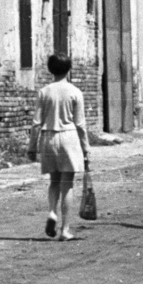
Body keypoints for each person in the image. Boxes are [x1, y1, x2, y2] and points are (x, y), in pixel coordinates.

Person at [30, 54, 91, 241]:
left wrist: (32, 147)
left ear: (50, 70)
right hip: (69, 138)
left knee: (53, 181)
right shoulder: (75, 92)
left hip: (48, 137)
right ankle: (65, 229)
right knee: (68, 184)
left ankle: (51, 212)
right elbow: (80, 124)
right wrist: (86, 148)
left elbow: (36, 123)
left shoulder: (44, 92)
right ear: (69, 69)